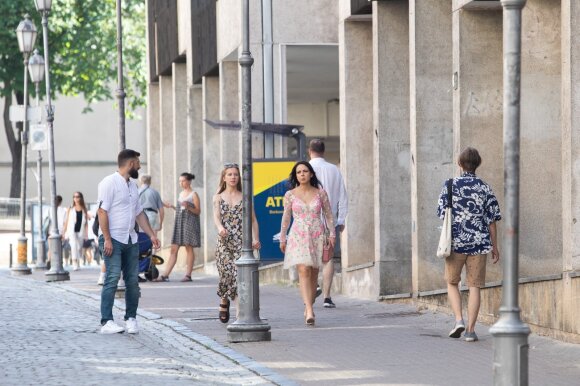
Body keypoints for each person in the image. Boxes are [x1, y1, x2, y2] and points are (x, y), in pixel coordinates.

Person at [437, 147, 501, 342]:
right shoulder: (485, 187)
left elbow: (441, 213)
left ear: (459, 163)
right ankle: (471, 331)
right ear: (478, 164)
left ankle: (458, 320)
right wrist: (494, 247)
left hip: (455, 244)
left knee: (451, 282)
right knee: (474, 286)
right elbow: (492, 221)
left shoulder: (449, 185)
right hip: (479, 244)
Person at [97, 149, 160, 334]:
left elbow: (139, 213)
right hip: (112, 239)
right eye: (138, 163)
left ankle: (131, 318)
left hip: (131, 239)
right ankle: (106, 321)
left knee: (133, 280)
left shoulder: (132, 186)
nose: (140, 166)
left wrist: (151, 235)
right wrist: (107, 239)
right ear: (131, 163)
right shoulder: (109, 183)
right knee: (112, 278)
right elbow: (102, 212)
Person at [280, 161, 335, 326]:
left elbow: (329, 215)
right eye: (299, 172)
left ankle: (309, 304)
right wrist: (283, 237)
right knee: (303, 269)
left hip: (317, 233)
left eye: (305, 171)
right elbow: (286, 217)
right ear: (296, 176)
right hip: (298, 235)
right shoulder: (290, 195)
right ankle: (309, 309)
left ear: (311, 174)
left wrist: (332, 234)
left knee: (313, 272)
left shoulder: (321, 193)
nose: (302, 174)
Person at [212, 163, 261, 323]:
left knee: (239, 277)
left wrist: (255, 239)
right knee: (226, 275)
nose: (233, 177)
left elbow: (253, 220)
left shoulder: (245, 197)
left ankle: (241, 316)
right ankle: (224, 300)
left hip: (242, 242)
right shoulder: (218, 197)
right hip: (224, 242)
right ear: (224, 177)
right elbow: (216, 217)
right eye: (230, 174)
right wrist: (220, 228)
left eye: (235, 174)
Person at [308, 138, 348, 309]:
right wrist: (341, 219)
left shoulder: (304, 169)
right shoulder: (334, 170)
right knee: (328, 258)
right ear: (323, 151)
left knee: (309, 257)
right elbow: (342, 196)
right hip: (329, 221)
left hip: (310, 220)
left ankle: (313, 286)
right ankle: (327, 297)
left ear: (310, 151)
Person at [154, 172, 201, 282]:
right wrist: (172, 207)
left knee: (189, 248)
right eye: (180, 181)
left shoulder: (194, 194)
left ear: (189, 181)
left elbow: (198, 211)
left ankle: (188, 275)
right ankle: (165, 275)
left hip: (190, 223)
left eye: (183, 181)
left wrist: (188, 206)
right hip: (179, 223)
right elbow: (181, 210)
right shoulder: (181, 193)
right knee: (174, 249)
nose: (181, 183)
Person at [62, 192, 90, 271]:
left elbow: (86, 223)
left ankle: (77, 262)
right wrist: (64, 232)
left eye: (77, 197)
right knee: (73, 246)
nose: (76, 198)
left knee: (79, 247)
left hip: (80, 231)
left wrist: (86, 234)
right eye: (74, 197)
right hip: (71, 230)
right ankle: (74, 263)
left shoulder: (84, 208)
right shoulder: (70, 208)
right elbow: (66, 220)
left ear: (81, 198)